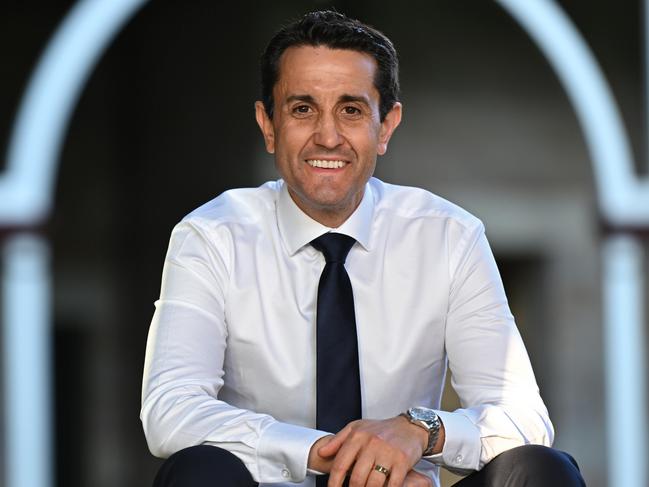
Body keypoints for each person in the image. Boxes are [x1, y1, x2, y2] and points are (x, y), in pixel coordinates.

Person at [141, 10, 586, 487]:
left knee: (541, 472)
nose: (327, 136)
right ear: (267, 124)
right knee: (196, 472)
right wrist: (327, 454)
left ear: (386, 125)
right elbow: (171, 409)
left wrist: (421, 431)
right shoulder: (211, 237)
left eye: (351, 109)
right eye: (302, 109)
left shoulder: (449, 237)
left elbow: (524, 418)